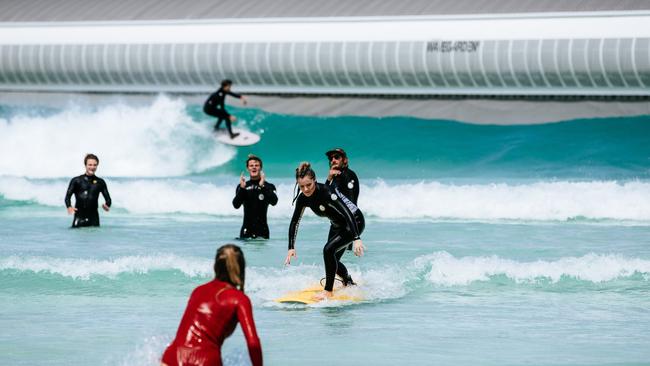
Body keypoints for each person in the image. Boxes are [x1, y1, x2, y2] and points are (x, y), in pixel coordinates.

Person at [161, 244, 262, 366]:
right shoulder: (239, 299)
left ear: (215, 267)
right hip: (205, 361)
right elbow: (253, 343)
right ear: (241, 269)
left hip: (172, 358)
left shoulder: (198, 291)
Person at [285, 162, 365, 301]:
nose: (305, 189)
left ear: (315, 180)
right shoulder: (303, 198)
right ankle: (348, 282)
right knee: (332, 259)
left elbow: (348, 213)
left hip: (354, 222)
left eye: (308, 185)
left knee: (328, 251)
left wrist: (356, 238)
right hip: (337, 225)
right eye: (301, 186)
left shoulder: (327, 192)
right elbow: (294, 222)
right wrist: (291, 247)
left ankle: (328, 292)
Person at [232, 155, 278, 239]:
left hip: (262, 231)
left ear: (260, 168)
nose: (254, 167)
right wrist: (242, 189)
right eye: (251, 166)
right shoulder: (242, 186)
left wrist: (263, 186)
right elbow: (236, 205)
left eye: (256, 165)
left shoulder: (269, 186)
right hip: (246, 231)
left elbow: (274, 202)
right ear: (247, 168)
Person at [64, 153, 111, 228]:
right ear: (85, 165)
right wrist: (69, 207)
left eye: (95, 165)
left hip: (94, 219)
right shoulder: (76, 181)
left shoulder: (100, 182)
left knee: (95, 239)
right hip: (79, 218)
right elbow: (67, 197)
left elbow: (108, 199)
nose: (92, 167)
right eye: (90, 165)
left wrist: (107, 205)